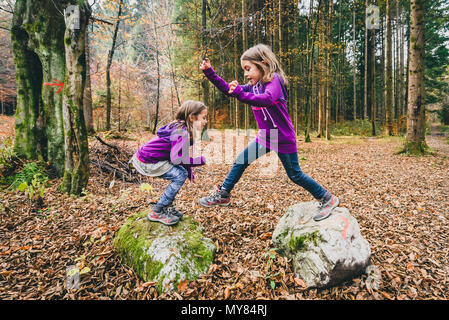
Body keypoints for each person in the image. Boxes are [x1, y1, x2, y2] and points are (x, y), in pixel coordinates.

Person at [198, 44, 339, 221]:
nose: (246, 74)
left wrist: (242, 94)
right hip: (265, 137)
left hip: (282, 138)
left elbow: (267, 99)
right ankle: (223, 194)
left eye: (248, 69)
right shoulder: (253, 86)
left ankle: (327, 198)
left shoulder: (275, 81)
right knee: (241, 160)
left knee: (295, 175)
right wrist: (209, 72)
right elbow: (229, 90)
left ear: (262, 63)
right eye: (244, 70)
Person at [129, 100, 207, 226]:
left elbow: (182, 156)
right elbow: (177, 159)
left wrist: (190, 173)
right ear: (192, 117)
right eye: (203, 118)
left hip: (145, 158)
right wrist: (199, 161)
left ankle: (166, 207)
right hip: (147, 161)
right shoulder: (182, 132)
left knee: (181, 173)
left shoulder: (182, 128)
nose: (205, 121)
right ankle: (158, 210)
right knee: (179, 175)